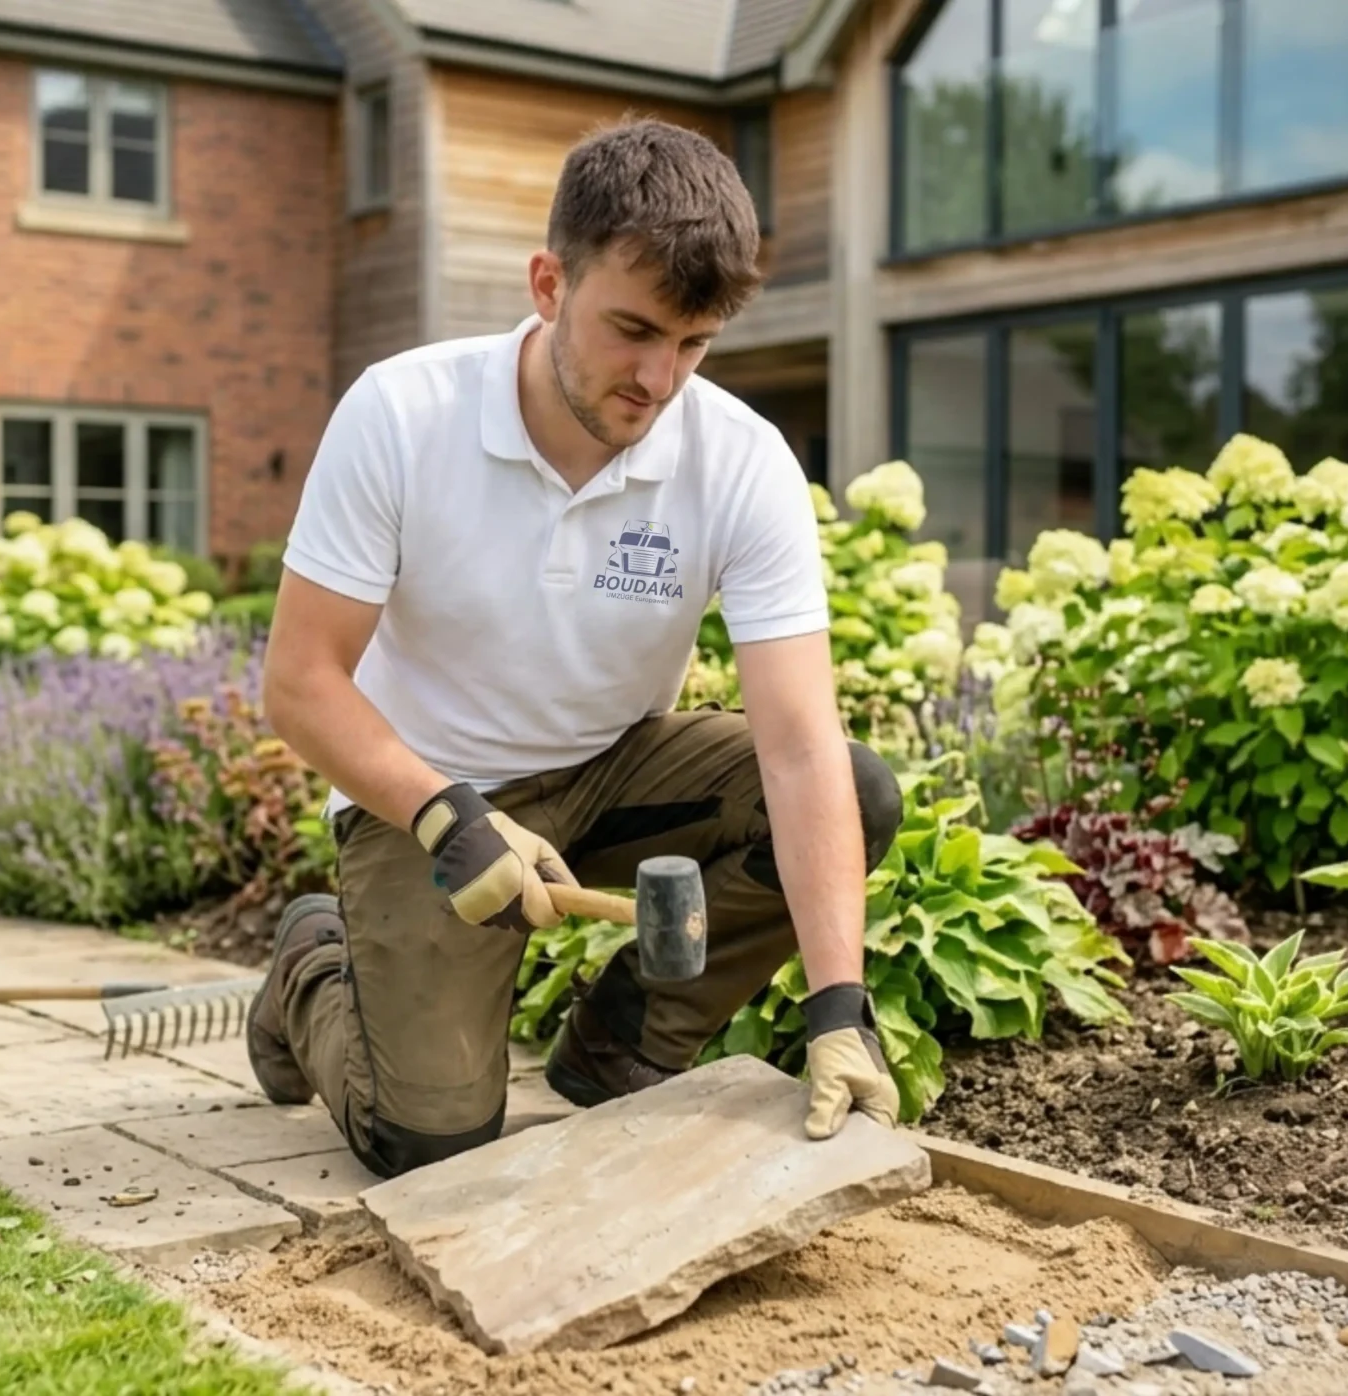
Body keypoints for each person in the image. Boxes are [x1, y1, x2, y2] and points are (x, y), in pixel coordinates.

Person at [250, 117, 903, 1181]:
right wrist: (446, 815)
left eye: (692, 344)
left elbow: (797, 747)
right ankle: (311, 966)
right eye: (632, 331)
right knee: (428, 1145)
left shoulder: (738, 460)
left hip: (613, 770)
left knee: (859, 788)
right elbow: (300, 684)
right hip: (425, 801)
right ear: (548, 283)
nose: (659, 380)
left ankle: (619, 1049)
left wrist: (840, 1006)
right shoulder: (404, 414)